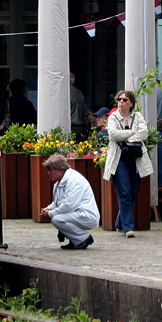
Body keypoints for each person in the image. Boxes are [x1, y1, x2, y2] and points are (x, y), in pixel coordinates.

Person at [102, 89, 152, 237]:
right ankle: (128, 228)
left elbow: (145, 133)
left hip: (136, 158)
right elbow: (113, 134)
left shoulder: (138, 116)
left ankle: (119, 223)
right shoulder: (113, 118)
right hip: (119, 160)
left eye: (125, 100)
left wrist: (125, 136)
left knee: (132, 192)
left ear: (131, 103)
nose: (121, 102)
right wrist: (132, 132)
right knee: (124, 192)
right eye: (119, 100)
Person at [41, 152, 98, 249]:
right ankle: (75, 240)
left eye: (51, 170)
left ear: (61, 170)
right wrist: (47, 209)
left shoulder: (74, 180)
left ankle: (83, 238)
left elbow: (69, 205)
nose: (48, 173)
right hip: (77, 214)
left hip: (87, 216)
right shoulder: (59, 182)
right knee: (57, 217)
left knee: (57, 219)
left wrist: (50, 213)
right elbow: (57, 202)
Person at [69, 71, 89, 139]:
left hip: (70, 128)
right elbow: (86, 112)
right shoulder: (79, 93)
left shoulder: (65, 93)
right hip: (80, 128)